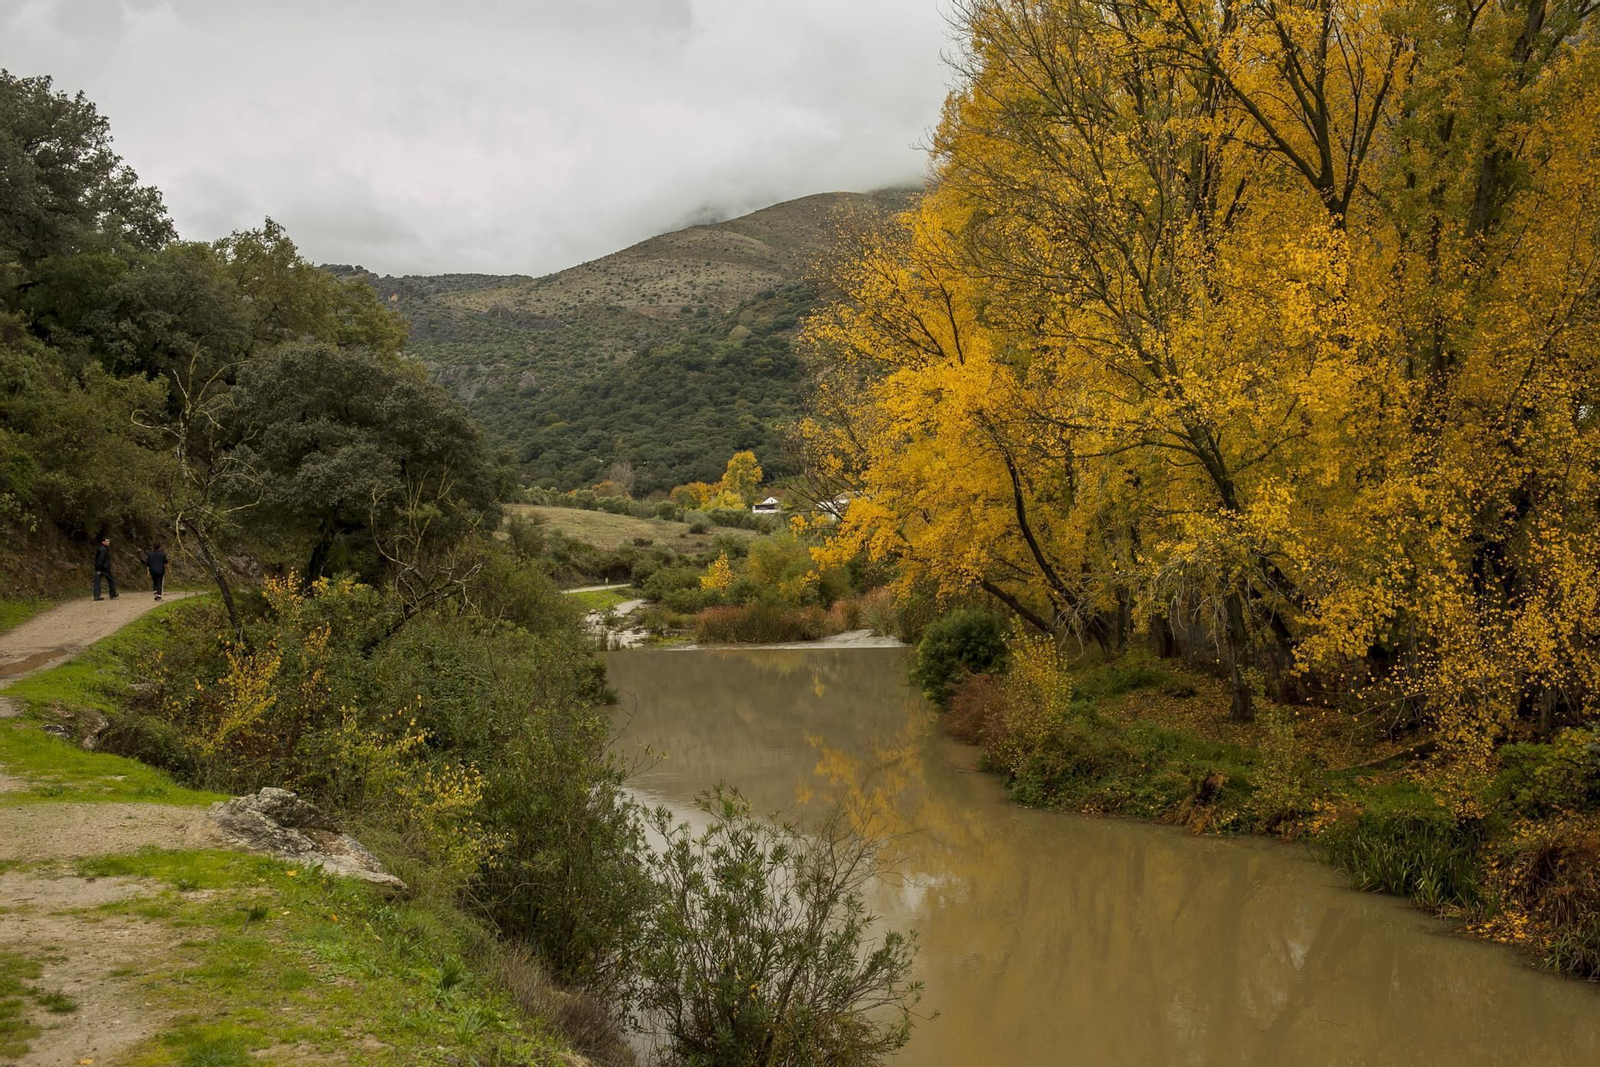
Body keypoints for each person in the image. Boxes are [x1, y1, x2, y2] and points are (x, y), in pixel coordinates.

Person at [92, 536, 119, 600]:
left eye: (109, 541)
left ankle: (96, 596)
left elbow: (97, 559)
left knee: (97, 582)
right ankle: (112, 594)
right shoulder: (104, 549)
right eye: (107, 541)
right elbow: (100, 559)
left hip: (100, 568)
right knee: (111, 580)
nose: (108, 542)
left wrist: (98, 568)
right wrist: (99, 569)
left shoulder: (101, 548)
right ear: (103, 542)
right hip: (104, 569)